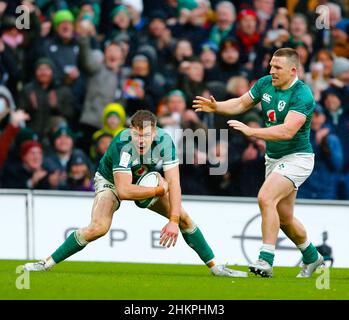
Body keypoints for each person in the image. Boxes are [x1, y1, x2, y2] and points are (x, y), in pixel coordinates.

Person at [24, 110, 246, 278]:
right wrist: (159, 189)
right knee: (99, 227)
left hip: (143, 179)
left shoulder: (165, 142)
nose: (141, 140)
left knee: (184, 217)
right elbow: (123, 190)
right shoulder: (122, 143)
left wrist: (173, 220)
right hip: (110, 181)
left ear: (156, 132)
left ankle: (216, 268)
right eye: (137, 135)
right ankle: (46, 263)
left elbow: (175, 184)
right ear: (131, 131)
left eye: (146, 135)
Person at [193, 48, 324, 278]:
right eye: (271, 65)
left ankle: (265, 260)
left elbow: (287, 131)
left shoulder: (302, 94)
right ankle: (313, 257)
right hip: (273, 159)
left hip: (297, 158)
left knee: (265, 197)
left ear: (293, 70)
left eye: (277, 67)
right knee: (284, 218)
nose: (271, 71)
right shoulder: (265, 84)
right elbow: (241, 104)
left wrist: (251, 131)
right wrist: (218, 106)